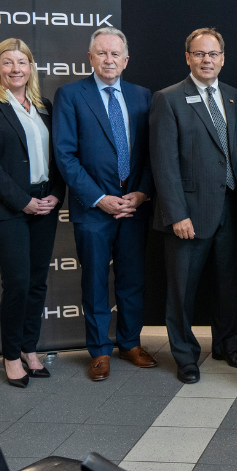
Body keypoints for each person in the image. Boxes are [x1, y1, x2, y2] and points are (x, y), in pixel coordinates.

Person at [150, 28, 237, 384]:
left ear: (223, 58)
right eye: (199, 54)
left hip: (232, 209)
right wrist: (176, 213)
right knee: (182, 289)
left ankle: (228, 346)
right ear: (188, 58)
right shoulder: (168, 99)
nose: (206, 60)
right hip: (188, 215)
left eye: (213, 54)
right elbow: (163, 163)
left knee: (230, 285)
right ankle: (185, 356)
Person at [53, 27, 157, 382]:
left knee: (132, 281)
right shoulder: (70, 95)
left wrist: (141, 194)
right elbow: (65, 156)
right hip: (93, 210)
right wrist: (99, 199)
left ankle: (130, 343)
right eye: (102, 53)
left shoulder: (142, 95)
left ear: (126, 60)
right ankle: (99, 351)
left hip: (134, 207)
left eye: (115, 54)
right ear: (90, 58)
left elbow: (150, 154)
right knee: (95, 282)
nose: (109, 59)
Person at [0, 38, 66, 388]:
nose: (15, 69)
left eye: (21, 62)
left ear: (31, 68)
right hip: (7, 208)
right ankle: (10, 356)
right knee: (18, 283)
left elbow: (58, 157)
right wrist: (22, 200)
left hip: (45, 205)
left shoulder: (43, 106)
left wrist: (55, 194)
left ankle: (29, 348)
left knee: (37, 282)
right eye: (7, 62)